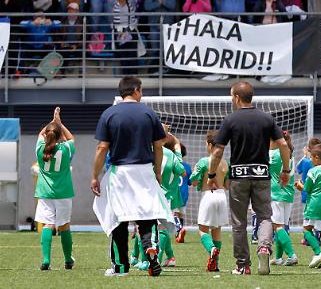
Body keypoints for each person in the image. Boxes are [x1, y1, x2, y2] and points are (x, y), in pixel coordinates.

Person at [207, 81, 290, 276]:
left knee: (239, 222)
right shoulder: (266, 118)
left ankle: (243, 265)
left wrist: (212, 175)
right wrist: (286, 170)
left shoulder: (230, 120)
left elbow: (218, 150)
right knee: (264, 216)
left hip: (239, 176)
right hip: (262, 174)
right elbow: (283, 144)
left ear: (236, 97)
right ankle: (263, 247)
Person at [92, 76, 170, 277]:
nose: (141, 94)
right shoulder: (148, 112)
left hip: (120, 173)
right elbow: (158, 146)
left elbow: (102, 148)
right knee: (147, 216)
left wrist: (94, 176)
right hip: (144, 170)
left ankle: (120, 267)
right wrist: (158, 171)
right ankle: (151, 251)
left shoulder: (109, 113)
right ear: (135, 90)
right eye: (141, 90)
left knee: (118, 219)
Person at [35, 107, 76, 271]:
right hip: (64, 192)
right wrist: (59, 122)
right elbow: (71, 138)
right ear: (59, 136)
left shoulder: (40, 149)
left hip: (45, 192)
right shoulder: (66, 149)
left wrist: (52, 123)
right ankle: (67, 260)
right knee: (64, 225)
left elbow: (41, 134)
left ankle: (46, 261)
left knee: (47, 225)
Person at [190, 130, 229, 272]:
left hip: (208, 196)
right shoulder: (225, 163)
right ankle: (215, 264)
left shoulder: (203, 161)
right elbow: (227, 185)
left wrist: (196, 175)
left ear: (210, 144)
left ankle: (212, 249)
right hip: (222, 196)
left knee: (202, 230)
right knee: (217, 230)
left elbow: (193, 182)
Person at [294, 143, 321, 268]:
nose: (310, 159)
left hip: (314, 205)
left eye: (311, 157)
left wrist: (300, 186)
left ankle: (318, 253)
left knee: (306, 230)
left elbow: (307, 188)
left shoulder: (313, 171)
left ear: (316, 158)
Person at [269, 131, 298, 267]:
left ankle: (292, 255)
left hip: (276, 193)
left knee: (278, 226)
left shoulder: (274, 154)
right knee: (281, 226)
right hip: (288, 194)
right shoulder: (291, 155)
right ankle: (278, 257)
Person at [157, 133, 185, 267]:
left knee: (157, 229)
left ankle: (154, 259)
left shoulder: (148, 150)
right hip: (167, 196)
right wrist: (176, 144)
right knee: (162, 229)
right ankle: (170, 257)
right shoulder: (170, 155)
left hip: (155, 195)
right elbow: (183, 171)